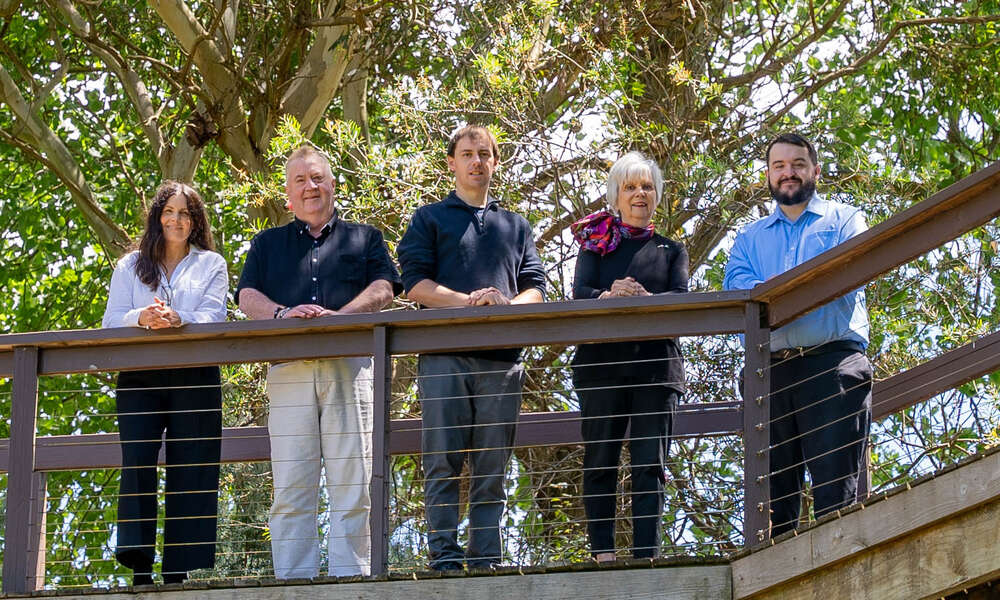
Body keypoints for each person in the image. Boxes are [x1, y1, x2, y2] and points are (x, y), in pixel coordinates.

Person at [235, 146, 401, 578]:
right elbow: (245, 296)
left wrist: (340, 320)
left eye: (318, 178)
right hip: (288, 369)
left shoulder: (365, 238)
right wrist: (281, 316)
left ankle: (352, 581)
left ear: (332, 183)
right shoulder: (266, 243)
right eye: (300, 181)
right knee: (291, 484)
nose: (310, 187)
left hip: (350, 365)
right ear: (288, 194)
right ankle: (293, 582)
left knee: (354, 483)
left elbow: (386, 287)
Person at [397, 125, 546, 571]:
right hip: (443, 356)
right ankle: (443, 556)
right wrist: (468, 302)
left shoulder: (515, 226)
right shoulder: (430, 219)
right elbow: (414, 285)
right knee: (442, 461)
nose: (476, 161)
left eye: (485, 154)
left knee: (492, 467)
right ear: (452, 162)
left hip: (502, 362)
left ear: (495, 163)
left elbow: (536, 289)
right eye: (467, 153)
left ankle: (487, 560)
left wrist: (502, 303)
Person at [723, 132, 872, 536]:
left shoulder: (846, 220)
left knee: (835, 499)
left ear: (816, 170)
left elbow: (846, 276)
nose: (788, 173)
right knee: (773, 506)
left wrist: (773, 294)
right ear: (768, 175)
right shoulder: (748, 238)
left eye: (798, 164)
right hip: (767, 373)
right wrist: (803, 288)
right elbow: (738, 292)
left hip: (832, 365)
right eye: (779, 166)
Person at [102, 181, 228, 585]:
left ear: (195, 221)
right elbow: (110, 322)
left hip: (196, 375)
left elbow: (215, 317)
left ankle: (178, 572)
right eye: (170, 211)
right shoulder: (130, 265)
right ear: (158, 217)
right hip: (140, 375)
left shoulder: (212, 264)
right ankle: (140, 569)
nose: (177, 219)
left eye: (186, 213)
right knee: (137, 461)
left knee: (193, 465)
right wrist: (143, 317)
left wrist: (179, 319)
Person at [569, 152, 688, 561]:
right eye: (631, 187)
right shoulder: (595, 246)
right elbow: (579, 293)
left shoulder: (672, 250)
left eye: (647, 186)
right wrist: (609, 295)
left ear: (657, 196)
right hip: (600, 369)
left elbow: (681, 300)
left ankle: (646, 555)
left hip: (656, 371)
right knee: (600, 459)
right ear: (616, 196)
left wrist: (647, 300)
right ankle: (602, 553)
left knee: (649, 464)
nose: (640, 194)